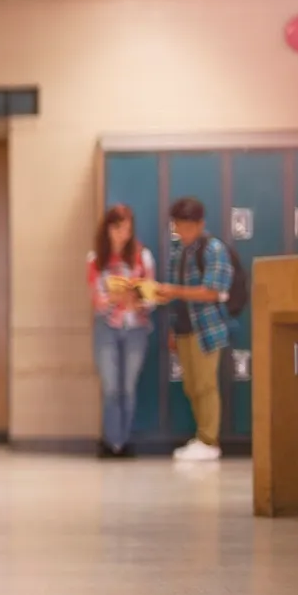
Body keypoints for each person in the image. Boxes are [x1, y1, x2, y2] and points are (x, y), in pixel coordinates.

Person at [154, 197, 233, 463]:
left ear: (200, 224)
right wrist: (171, 327)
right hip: (184, 329)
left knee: (206, 384)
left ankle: (210, 440)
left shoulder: (214, 249)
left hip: (207, 329)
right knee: (191, 385)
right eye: (176, 225)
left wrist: (174, 291)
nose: (180, 231)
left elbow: (212, 292)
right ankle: (201, 437)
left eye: (185, 226)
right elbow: (174, 293)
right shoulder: (178, 251)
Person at [86, 204, 157, 459]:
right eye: (118, 229)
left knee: (128, 387)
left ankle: (123, 441)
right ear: (107, 229)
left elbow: (151, 296)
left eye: (127, 229)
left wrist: (137, 299)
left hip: (135, 327)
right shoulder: (96, 259)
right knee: (110, 387)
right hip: (107, 327)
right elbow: (97, 298)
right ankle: (110, 441)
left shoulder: (142, 256)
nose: (123, 235)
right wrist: (116, 298)